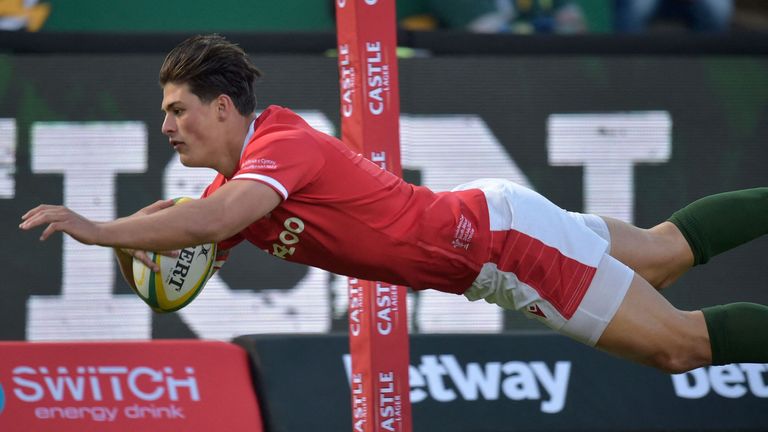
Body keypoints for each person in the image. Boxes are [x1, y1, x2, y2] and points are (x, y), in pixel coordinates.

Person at [20, 34, 768, 373]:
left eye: (179, 108)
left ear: (224, 108)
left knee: (680, 347)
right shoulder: (234, 188)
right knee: (665, 254)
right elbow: (189, 249)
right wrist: (140, 235)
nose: (167, 125)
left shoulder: (279, 146)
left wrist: (95, 227)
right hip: (496, 224)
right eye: (163, 113)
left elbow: (211, 224)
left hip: (505, 249)